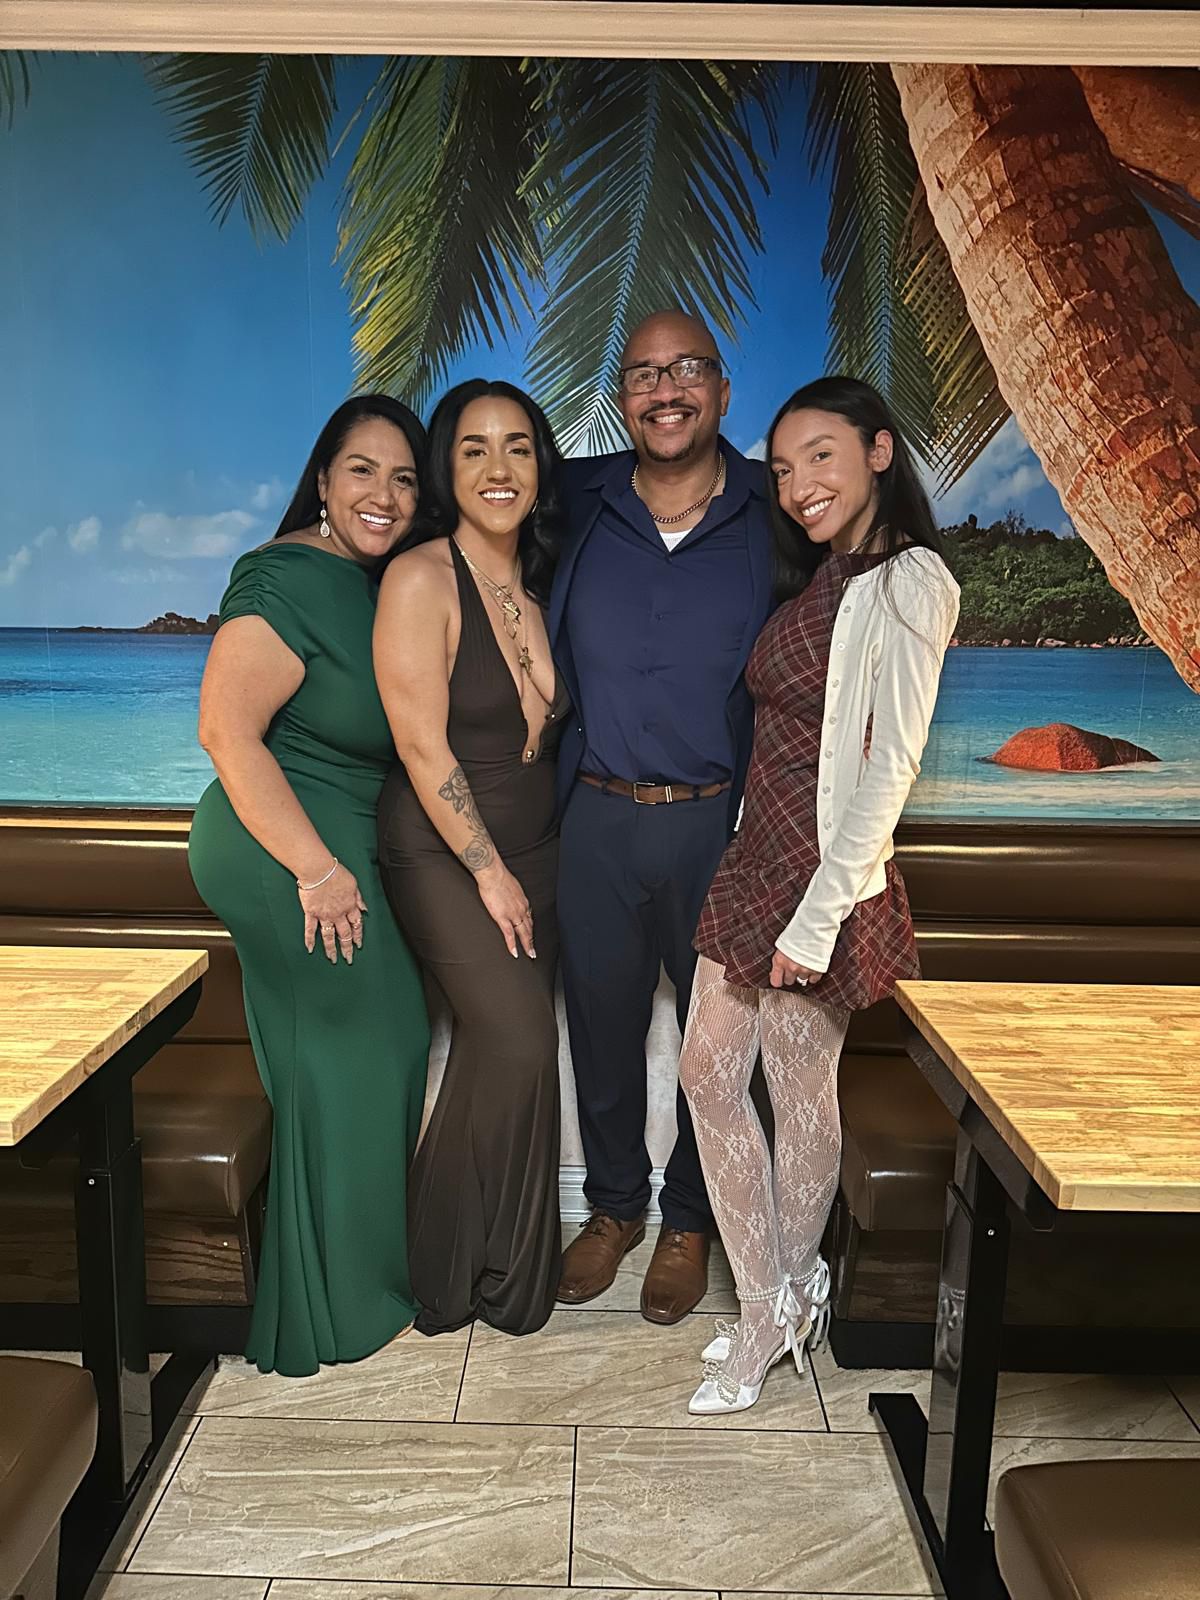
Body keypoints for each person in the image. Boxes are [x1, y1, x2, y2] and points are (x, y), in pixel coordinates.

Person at [678, 375, 960, 1414]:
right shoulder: (825, 578)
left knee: (800, 1089)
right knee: (709, 1074)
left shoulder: (913, 580)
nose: (800, 485)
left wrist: (818, 914)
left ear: (881, 450)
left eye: (822, 457)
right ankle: (778, 1296)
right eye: (785, 468)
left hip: (827, 873)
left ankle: (771, 1317)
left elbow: (888, 769)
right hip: (761, 855)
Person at [188, 395, 431, 1377]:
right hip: (283, 849)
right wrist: (316, 868)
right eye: (363, 470)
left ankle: (352, 1286)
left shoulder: (379, 586)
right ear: (324, 480)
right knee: (351, 1051)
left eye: (406, 477)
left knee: (375, 1048)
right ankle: (327, 1311)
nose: (384, 493)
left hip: (334, 846)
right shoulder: (285, 575)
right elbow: (224, 731)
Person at [551, 310, 774, 1323]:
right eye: (642, 373)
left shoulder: (778, 513)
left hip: (717, 827)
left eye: (687, 369)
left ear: (724, 392)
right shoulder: (576, 501)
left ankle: (689, 1217)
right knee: (598, 1029)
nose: (665, 388)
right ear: (623, 399)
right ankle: (612, 1208)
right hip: (593, 817)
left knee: (710, 1044)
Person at [375, 378, 567, 1337]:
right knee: (520, 1040)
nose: (500, 468)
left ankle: (499, 1274)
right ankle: (446, 1272)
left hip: (537, 848)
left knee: (510, 1054)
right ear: (448, 471)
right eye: (475, 449)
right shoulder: (422, 576)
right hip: (446, 854)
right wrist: (490, 871)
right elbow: (420, 746)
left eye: (520, 447)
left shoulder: (529, 591)